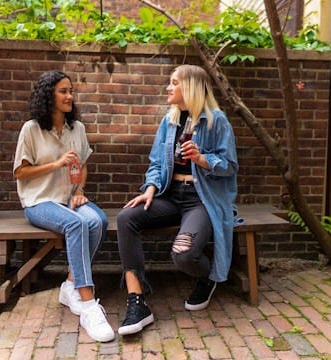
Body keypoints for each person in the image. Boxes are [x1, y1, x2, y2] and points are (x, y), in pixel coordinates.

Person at [116, 64, 239, 336]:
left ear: (191, 87)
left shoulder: (217, 121)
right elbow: (157, 163)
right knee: (126, 218)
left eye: (174, 82)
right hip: (170, 196)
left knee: (183, 255)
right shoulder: (169, 121)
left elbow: (230, 166)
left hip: (202, 199)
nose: (168, 87)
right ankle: (137, 300)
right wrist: (149, 188)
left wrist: (202, 159)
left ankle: (208, 277)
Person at [13, 71, 114, 342]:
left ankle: (70, 284)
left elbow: (83, 166)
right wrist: (56, 164)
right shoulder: (31, 129)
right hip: (39, 201)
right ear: (49, 95)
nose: (70, 96)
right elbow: (21, 173)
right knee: (77, 222)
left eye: (71, 91)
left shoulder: (76, 128)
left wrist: (79, 190)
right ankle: (88, 302)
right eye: (63, 91)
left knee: (98, 220)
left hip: (69, 198)